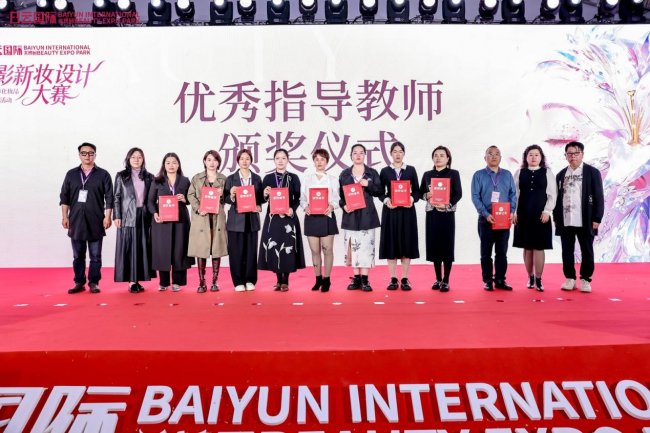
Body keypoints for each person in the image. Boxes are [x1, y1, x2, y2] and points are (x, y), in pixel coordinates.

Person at [60, 142, 113, 294]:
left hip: (96, 220)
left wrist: (107, 217)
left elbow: (109, 197)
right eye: (84, 153)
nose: (87, 156)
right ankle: (79, 282)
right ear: (79, 155)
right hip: (76, 220)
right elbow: (64, 197)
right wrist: (65, 216)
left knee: (95, 256)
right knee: (78, 255)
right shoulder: (71, 174)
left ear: (95, 155)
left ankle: (94, 282)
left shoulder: (103, 174)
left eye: (90, 153)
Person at [553, 141, 604, 293]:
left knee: (587, 250)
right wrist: (556, 218)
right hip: (565, 219)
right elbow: (556, 199)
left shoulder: (592, 172)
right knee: (566, 251)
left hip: (586, 219)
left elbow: (599, 197)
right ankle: (570, 278)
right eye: (569, 154)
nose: (573, 156)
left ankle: (585, 279)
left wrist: (597, 218)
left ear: (582, 154)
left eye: (576, 153)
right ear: (565, 156)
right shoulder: (561, 175)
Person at [258, 149, 306, 291]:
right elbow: (262, 199)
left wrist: (293, 208)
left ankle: (285, 280)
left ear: (287, 160)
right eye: (277, 158)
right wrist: (265, 194)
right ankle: (278, 280)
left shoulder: (293, 177)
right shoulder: (268, 178)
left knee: (287, 248)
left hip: (288, 218)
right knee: (274, 247)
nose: (280, 161)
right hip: (273, 218)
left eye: (283, 158)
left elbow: (298, 198)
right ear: (274, 160)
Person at [471, 146, 517, 291]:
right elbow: (475, 196)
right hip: (486, 219)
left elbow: (513, 194)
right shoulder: (478, 175)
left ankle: (500, 280)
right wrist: (485, 214)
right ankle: (487, 280)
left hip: (504, 219)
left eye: (497, 154)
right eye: (490, 154)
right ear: (485, 158)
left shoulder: (507, 175)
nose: (494, 156)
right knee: (486, 253)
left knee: (502, 252)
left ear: (500, 158)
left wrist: (512, 212)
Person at [513, 145, 557, 292]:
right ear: (526, 157)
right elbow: (514, 194)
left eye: (536, 155)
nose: (533, 157)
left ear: (541, 157)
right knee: (527, 247)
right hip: (523, 214)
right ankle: (530, 277)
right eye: (530, 154)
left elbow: (552, 194)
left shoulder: (547, 172)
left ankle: (538, 278)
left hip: (541, 215)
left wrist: (547, 211)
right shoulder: (519, 172)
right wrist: (514, 212)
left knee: (539, 247)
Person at [147, 152, 194, 292]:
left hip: (181, 221)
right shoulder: (157, 181)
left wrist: (184, 199)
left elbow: (192, 199)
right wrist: (154, 213)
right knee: (163, 250)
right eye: (168, 163)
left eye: (174, 162)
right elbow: (150, 201)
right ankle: (164, 282)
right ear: (164, 165)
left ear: (178, 165)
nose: (171, 165)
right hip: (162, 221)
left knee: (179, 250)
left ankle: (177, 282)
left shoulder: (185, 180)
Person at [339, 144, 383, 292]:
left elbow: (379, 191)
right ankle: (356, 278)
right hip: (351, 215)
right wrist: (343, 205)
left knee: (366, 247)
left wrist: (368, 184)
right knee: (353, 246)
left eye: (361, 153)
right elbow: (340, 196)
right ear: (351, 155)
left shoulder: (372, 173)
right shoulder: (345, 174)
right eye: (355, 153)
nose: (358, 155)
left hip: (367, 215)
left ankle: (365, 279)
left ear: (365, 155)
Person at [420, 146, 462, 292]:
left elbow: (458, 193)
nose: (438, 158)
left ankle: (446, 280)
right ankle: (438, 279)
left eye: (442, 155)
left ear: (448, 158)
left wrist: (447, 204)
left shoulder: (453, 174)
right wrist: (426, 195)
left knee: (447, 246)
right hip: (432, 214)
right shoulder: (427, 174)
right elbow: (421, 192)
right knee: (435, 246)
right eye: (436, 155)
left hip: (446, 214)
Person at [113, 147, 155, 293]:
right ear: (128, 159)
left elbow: (152, 198)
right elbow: (116, 197)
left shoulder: (149, 177)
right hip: (127, 215)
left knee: (142, 247)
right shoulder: (121, 176)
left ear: (143, 160)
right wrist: (117, 216)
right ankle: (132, 281)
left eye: (139, 157)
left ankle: (137, 279)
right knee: (129, 247)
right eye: (133, 157)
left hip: (144, 215)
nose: (136, 160)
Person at [378, 142, 420, 291]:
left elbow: (417, 191)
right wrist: (386, 200)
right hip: (391, 211)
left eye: (400, 151)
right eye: (395, 151)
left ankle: (405, 278)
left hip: (407, 212)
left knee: (406, 242)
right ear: (391, 153)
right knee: (391, 242)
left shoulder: (411, 170)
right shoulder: (385, 171)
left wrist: (412, 199)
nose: (397, 154)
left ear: (404, 153)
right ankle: (393, 278)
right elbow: (380, 192)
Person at [187, 150, 228, 293]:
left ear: (219, 163)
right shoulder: (197, 178)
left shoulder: (223, 179)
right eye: (209, 159)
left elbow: (229, 199)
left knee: (216, 249)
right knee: (202, 249)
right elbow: (190, 195)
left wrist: (223, 194)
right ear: (204, 161)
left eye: (215, 160)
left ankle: (214, 281)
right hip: (202, 218)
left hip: (216, 218)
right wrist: (198, 208)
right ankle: (201, 282)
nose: (212, 163)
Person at [224, 149, 264, 292]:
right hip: (236, 221)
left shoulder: (257, 178)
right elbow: (225, 198)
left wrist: (260, 204)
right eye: (242, 159)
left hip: (252, 220)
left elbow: (260, 198)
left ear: (251, 160)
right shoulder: (231, 179)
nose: (245, 161)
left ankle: (250, 280)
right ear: (238, 161)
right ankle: (238, 281)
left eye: (247, 158)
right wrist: (232, 195)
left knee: (251, 252)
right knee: (236, 252)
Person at [300, 149, 340, 293]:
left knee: (327, 249)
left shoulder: (332, 180)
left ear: (327, 162)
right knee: (315, 250)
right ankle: (318, 278)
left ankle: (327, 279)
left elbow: (337, 198)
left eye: (322, 159)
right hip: (311, 217)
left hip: (326, 216)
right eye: (316, 159)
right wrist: (305, 206)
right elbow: (302, 198)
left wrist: (332, 206)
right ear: (313, 162)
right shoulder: (307, 179)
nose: (319, 162)